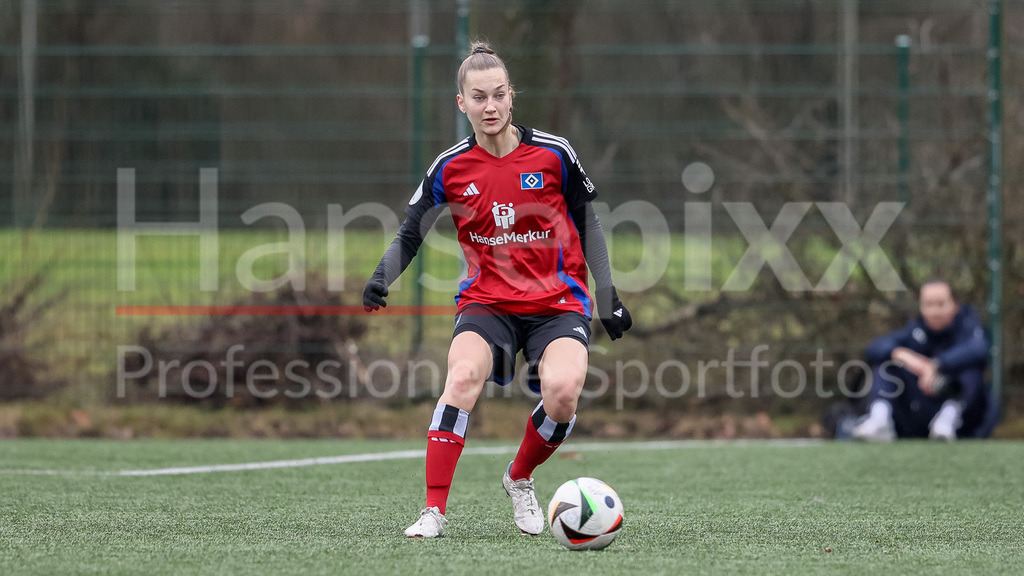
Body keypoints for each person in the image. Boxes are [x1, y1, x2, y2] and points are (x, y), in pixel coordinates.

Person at [362, 42, 632, 538]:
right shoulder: (450, 166)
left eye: (499, 95)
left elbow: (589, 224)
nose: (490, 107)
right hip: (487, 304)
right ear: (461, 103)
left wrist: (608, 293)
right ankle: (433, 511)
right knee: (462, 377)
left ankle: (519, 477)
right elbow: (410, 233)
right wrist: (382, 277)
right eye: (479, 97)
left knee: (563, 393)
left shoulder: (554, 153)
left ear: (512, 97)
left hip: (558, 304)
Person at [851, 279, 996, 442]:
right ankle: (880, 419)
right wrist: (901, 354)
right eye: (928, 304)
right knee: (886, 362)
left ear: (955, 305)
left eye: (940, 304)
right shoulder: (915, 329)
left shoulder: (968, 325)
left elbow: (979, 349)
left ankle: (948, 420)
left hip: (965, 419)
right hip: (918, 410)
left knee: (972, 367)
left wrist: (936, 365)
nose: (934, 311)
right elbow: (874, 347)